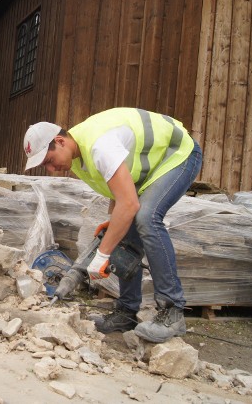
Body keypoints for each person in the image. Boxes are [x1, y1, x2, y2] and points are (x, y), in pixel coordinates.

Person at [23, 107, 202, 343]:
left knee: (147, 218)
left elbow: (129, 204)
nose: (50, 168)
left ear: (60, 141)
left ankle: (172, 312)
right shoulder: (77, 157)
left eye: (49, 160)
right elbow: (118, 190)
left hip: (178, 155)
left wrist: (103, 253)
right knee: (123, 229)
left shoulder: (99, 145)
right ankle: (127, 312)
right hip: (150, 171)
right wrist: (115, 223)